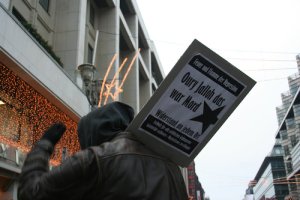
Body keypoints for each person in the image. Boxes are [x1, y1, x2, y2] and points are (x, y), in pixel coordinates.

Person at [18, 101, 188, 200]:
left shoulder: (95, 159)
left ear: (91, 133)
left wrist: (44, 145)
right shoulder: (171, 167)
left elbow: (30, 193)